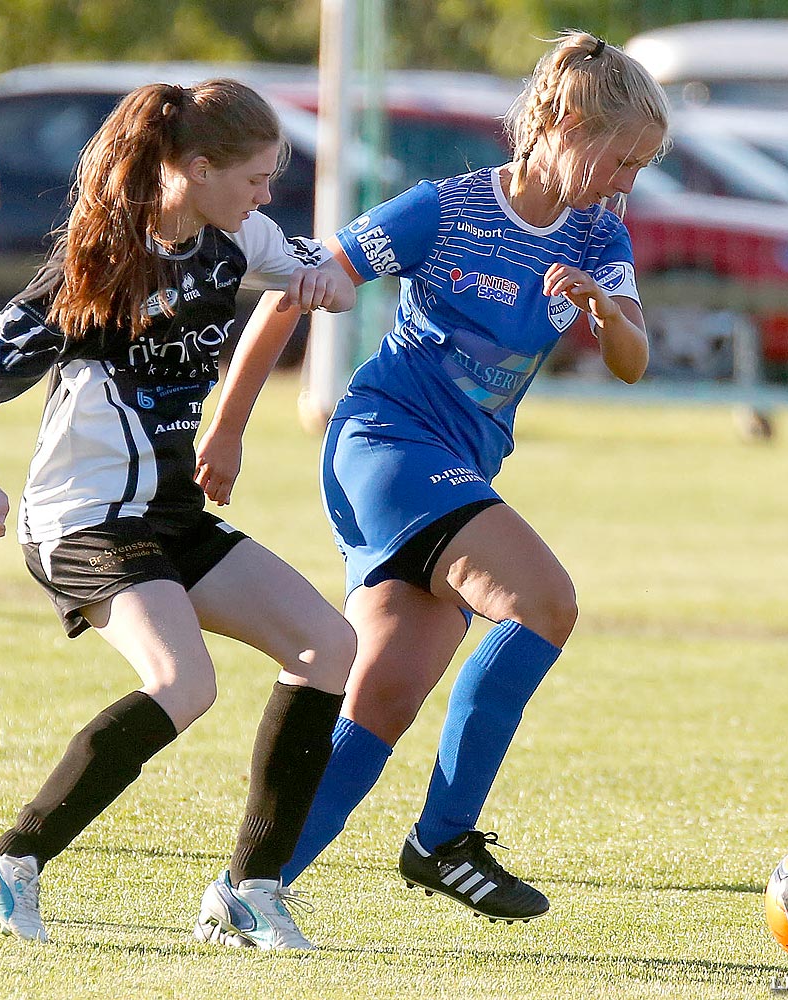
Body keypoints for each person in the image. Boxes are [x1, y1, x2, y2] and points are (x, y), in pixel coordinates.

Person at [193, 31, 669, 926]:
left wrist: (606, 309)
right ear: (563, 123)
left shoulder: (600, 234)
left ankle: (250, 889)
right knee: (543, 601)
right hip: (386, 445)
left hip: (453, 469)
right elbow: (291, 290)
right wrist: (227, 426)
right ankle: (443, 839)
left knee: (384, 694)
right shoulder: (446, 208)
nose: (626, 182)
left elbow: (634, 360)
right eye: (620, 158)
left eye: (642, 167)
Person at [0, 79, 357, 952]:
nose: (265, 197)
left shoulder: (235, 238)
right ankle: (10, 858)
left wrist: (320, 282)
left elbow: (326, 280)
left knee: (329, 646)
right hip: (84, 520)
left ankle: (249, 891)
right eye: (254, 179)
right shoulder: (97, 266)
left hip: (168, 514)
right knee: (185, 683)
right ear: (198, 169)